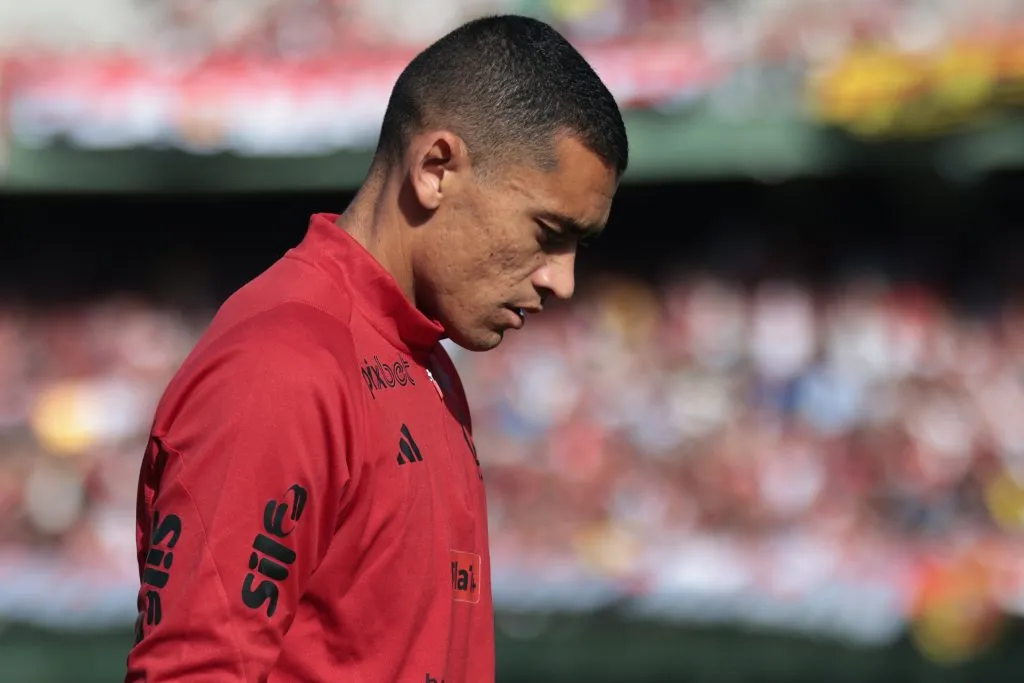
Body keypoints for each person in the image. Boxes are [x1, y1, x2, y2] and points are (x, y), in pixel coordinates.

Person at [125, 14, 628, 683]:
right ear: (436, 168)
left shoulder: (429, 365)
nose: (561, 280)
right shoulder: (281, 366)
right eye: (548, 232)